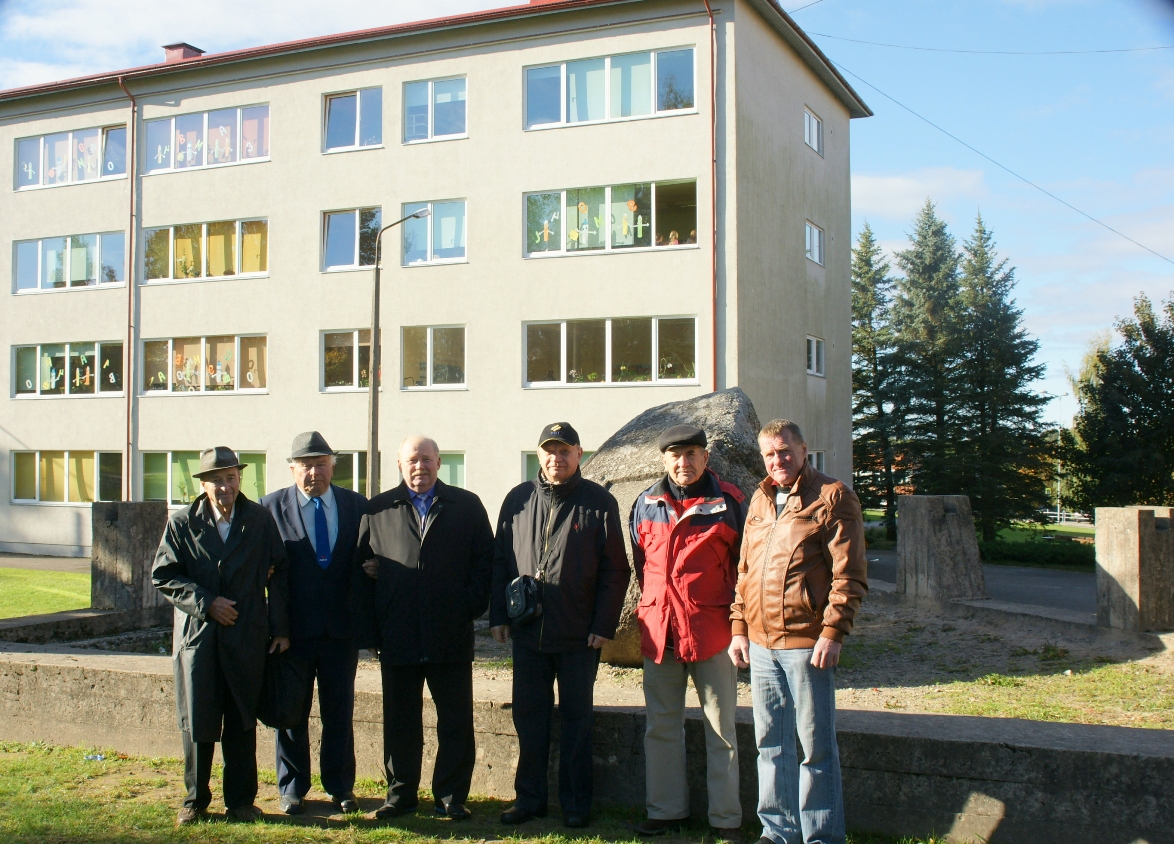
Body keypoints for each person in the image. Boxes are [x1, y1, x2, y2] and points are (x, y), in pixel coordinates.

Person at [728, 420, 868, 844]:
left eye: (785, 452)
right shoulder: (760, 498)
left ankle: (822, 837)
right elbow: (745, 570)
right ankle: (778, 831)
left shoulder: (833, 497)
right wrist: (739, 627)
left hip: (807, 645)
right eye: (770, 454)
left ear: (804, 449)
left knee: (815, 749)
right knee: (770, 745)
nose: (778, 461)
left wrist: (833, 632)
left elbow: (850, 577)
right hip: (761, 645)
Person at [490, 422, 630, 829]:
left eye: (564, 450)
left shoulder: (599, 502)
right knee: (528, 719)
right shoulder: (517, 499)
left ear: (579, 454)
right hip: (527, 633)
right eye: (549, 450)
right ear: (539, 455)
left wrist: (604, 624)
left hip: (579, 636)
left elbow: (615, 570)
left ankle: (575, 803)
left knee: (577, 721)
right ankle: (529, 799)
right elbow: (500, 560)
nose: (557, 458)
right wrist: (499, 615)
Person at [355, 436, 494, 821]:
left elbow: (485, 562)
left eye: (427, 459)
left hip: (450, 632)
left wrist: (468, 607)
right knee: (400, 720)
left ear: (439, 462)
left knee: (455, 719)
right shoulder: (378, 508)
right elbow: (360, 569)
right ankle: (400, 795)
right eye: (413, 460)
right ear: (399, 465)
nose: (421, 466)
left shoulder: (466, 506)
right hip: (397, 632)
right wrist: (372, 630)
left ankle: (451, 795)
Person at [152, 446, 290, 826]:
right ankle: (195, 800)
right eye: (217, 479)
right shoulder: (182, 523)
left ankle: (241, 801)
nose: (225, 486)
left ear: (239, 479)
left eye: (231, 478)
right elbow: (163, 575)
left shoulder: (259, 520)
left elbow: (280, 572)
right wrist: (207, 602)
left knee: (243, 718)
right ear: (203, 484)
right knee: (198, 722)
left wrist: (280, 629)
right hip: (200, 638)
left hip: (247, 636)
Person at [629, 425, 746, 840]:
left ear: (705, 457)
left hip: (711, 631)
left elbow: (743, 571)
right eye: (676, 455)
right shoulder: (644, 504)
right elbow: (643, 567)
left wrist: (738, 627)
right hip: (660, 632)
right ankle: (665, 810)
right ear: (664, 460)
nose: (684, 462)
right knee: (660, 726)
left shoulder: (730, 503)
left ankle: (726, 819)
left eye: (693, 454)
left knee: (721, 729)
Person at [260, 431, 367, 816]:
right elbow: (266, 572)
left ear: (332, 467)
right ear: (292, 469)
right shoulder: (269, 508)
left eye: (321, 464)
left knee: (339, 712)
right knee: (291, 714)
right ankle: (292, 789)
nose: (314, 473)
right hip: (292, 634)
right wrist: (277, 629)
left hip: (341, 631)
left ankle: (340, 787)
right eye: (306, 465)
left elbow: (367, 560)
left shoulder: (356, 506)